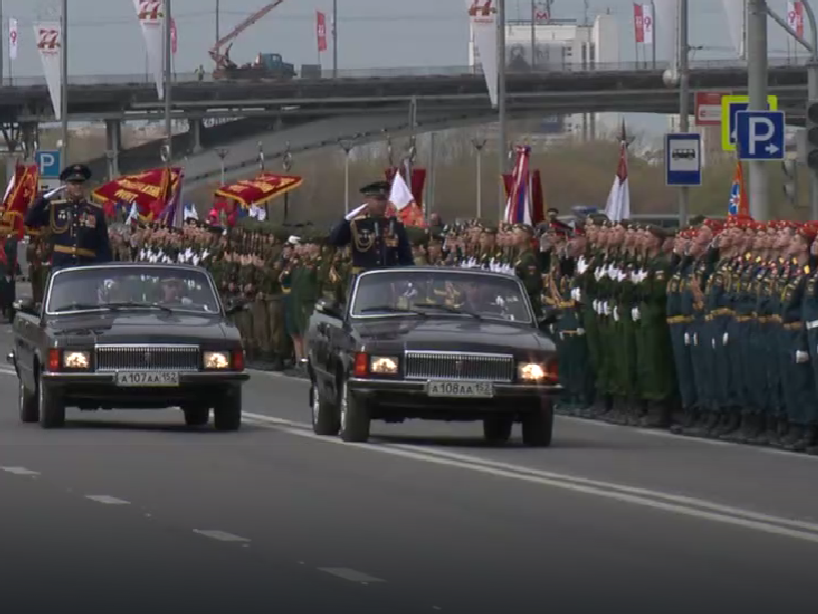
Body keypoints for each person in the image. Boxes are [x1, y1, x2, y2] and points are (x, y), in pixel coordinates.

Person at [24, 164, 112, 271]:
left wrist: (105, 272)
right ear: (66, 185)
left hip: (87, 268)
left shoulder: (95, 211)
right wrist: (44, 199)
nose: (77, 187)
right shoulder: (55, 208)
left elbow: (103, 246)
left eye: (80, 183)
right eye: (73, 183)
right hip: (61, 267)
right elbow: (30, 220)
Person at [327, 180, 414, 278]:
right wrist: (346, 220)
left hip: (388, 280)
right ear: (366, 201)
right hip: (363, 279)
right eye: (377, 199)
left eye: (384, 200)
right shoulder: (356, 224)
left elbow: (406, 258)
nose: (381, 204)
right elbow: (335, 240)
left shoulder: (395, 225)